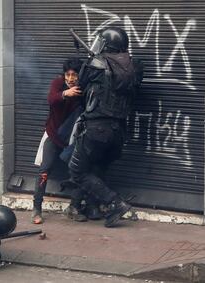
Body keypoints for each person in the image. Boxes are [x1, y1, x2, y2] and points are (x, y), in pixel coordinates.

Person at [67, 27, 144, 228]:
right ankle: (92, 208)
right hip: (118, 131)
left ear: (107, 45)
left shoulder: (96, 64)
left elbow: (80, 88)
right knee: (98, 167)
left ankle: (115, 203)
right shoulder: (135, 67)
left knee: (77, 171)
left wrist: (89, 63)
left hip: (96, 128)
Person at [32, 58, 101, 224]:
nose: (70, 78)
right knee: (44, 169)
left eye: (74, 75)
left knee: (80, 171)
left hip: (73, 140)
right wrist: (65, 94)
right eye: (67, 75)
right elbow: (51, 99)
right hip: (53, 134)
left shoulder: (85, 89)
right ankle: (37, 208)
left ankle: (74, 207)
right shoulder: (58, 84)